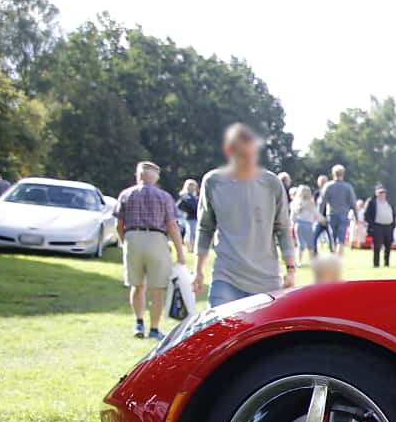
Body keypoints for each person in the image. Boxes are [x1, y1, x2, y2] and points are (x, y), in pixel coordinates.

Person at [195, 122, 295, 305]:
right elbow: (205, 227)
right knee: (221, 332)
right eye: (242, 155)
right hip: (226, 277)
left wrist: (290, 269)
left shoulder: (271, 183)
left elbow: (283, 228)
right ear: (229, 151)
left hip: (266, 280)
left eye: (251, 154)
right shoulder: (213, 182)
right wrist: (198, 269)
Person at [115, 161, 187, 340]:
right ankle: (154, 328)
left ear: (139, 175)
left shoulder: (126, 194)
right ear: (155, 177)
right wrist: (180, 251)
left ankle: (138, 321)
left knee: (136, 285)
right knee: (157, 288)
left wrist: (125, 241)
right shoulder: (164, 196)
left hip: (132, 237)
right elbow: (171, 225)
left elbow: (119, 224)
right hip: (156, 239)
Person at [319, 164, 357, 258]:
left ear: (333, 174)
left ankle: (333, 256)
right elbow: (353, 203)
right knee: (341, 238)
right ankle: (338, 259)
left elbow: (322, 202)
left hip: (331, 214)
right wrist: (357, 216)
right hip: (344, 214)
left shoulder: (328, 186)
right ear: (343, 174)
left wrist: (320, 215)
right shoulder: (348, 187)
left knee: (332, 237)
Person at [364, 184, 396, 267]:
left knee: (388, 246)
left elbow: (393, 213)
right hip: (378, 226)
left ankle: (387, 263)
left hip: (388, 226)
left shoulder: (389, 202)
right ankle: (376, 264)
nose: (382, 194)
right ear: (376, 193)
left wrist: (393, 224)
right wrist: (372, 225)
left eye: (383, 192)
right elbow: (367, 215)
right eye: (380, 192)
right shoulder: (372, 202)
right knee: (377, 246)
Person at [290, 182, 321, 260]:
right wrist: (322, 219)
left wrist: (292, 224)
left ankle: (299, 261)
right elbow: (316, 213)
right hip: (308, 224)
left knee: (300, 244)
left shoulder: (296, 203)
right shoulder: (310, 203)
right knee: (310, 244)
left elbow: (292, 215)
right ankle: (312, 261)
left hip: (298, 224)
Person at [175, 178, 200, 246]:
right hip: (190, 217)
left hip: (195, 217)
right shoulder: (186, 196)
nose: (193, 187)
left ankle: (190, 246)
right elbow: (193, 207)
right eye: (191, 185)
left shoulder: (194, 196)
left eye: (194, 185)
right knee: (192, 233)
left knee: (191, 233)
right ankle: (191, 247)